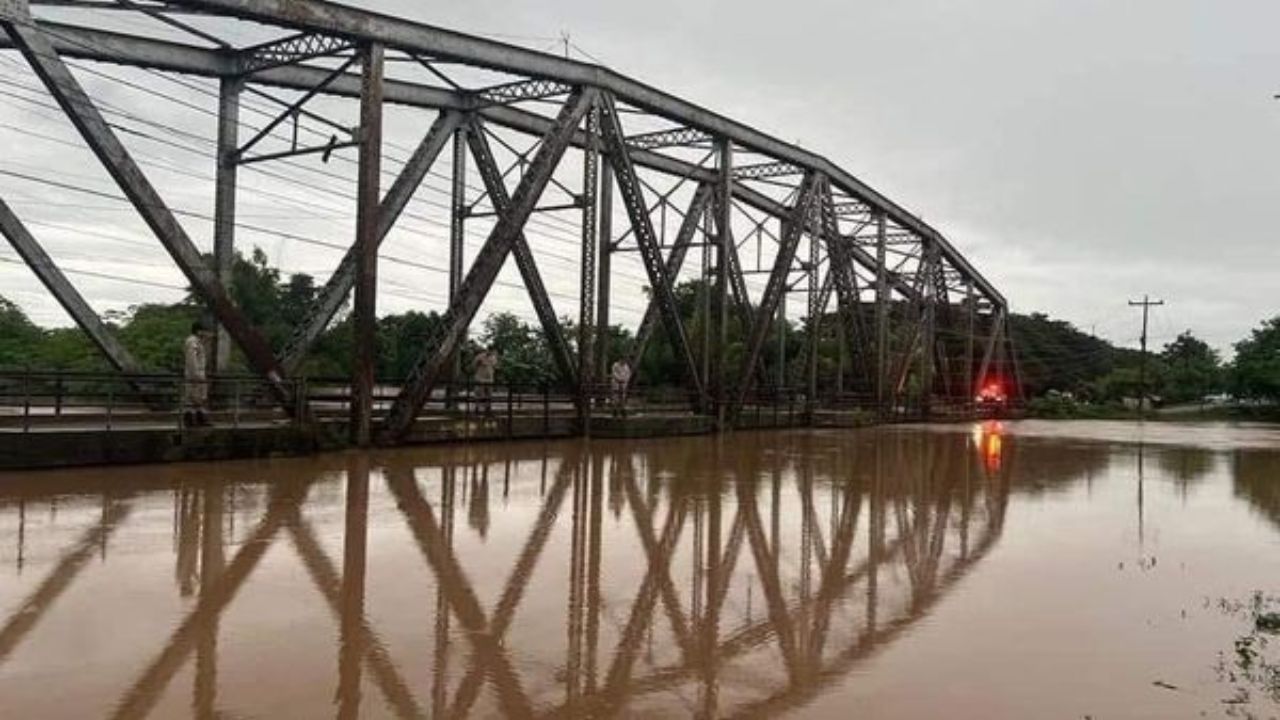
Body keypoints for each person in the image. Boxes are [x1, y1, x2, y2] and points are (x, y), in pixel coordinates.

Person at [182, 321, 213, 427]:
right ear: (199, 331)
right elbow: (192, 359)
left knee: (199, 398)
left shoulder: (198, 342)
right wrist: (195, 375)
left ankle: (199, 419)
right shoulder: (192, 342)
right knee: (193, 397)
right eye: (205, 331)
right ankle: (191, 420)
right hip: (195, 374)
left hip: (198, 373)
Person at [473, 347, 498, 416]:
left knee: (489, 395)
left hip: (489, 379)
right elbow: (474, 366)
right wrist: (479, 363)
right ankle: (477, 409)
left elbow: (495, 367)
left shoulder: (493, 358)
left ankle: (488, 409)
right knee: (479, 394)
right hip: (480, 378)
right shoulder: (479, 356)